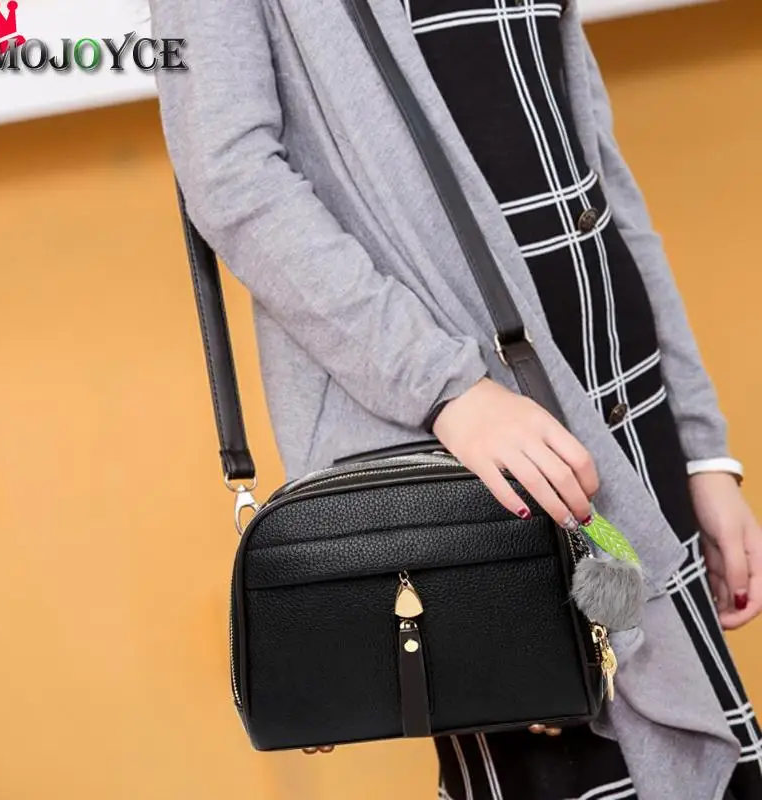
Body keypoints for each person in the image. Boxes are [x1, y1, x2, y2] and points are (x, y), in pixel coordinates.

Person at [149, 0, 762, 797]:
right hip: (482, 446)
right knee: (565, 763)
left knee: (706, 765)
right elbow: (231, 181)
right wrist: (448, 391)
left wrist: (701, 448)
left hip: (627, 421)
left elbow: (592, 168)